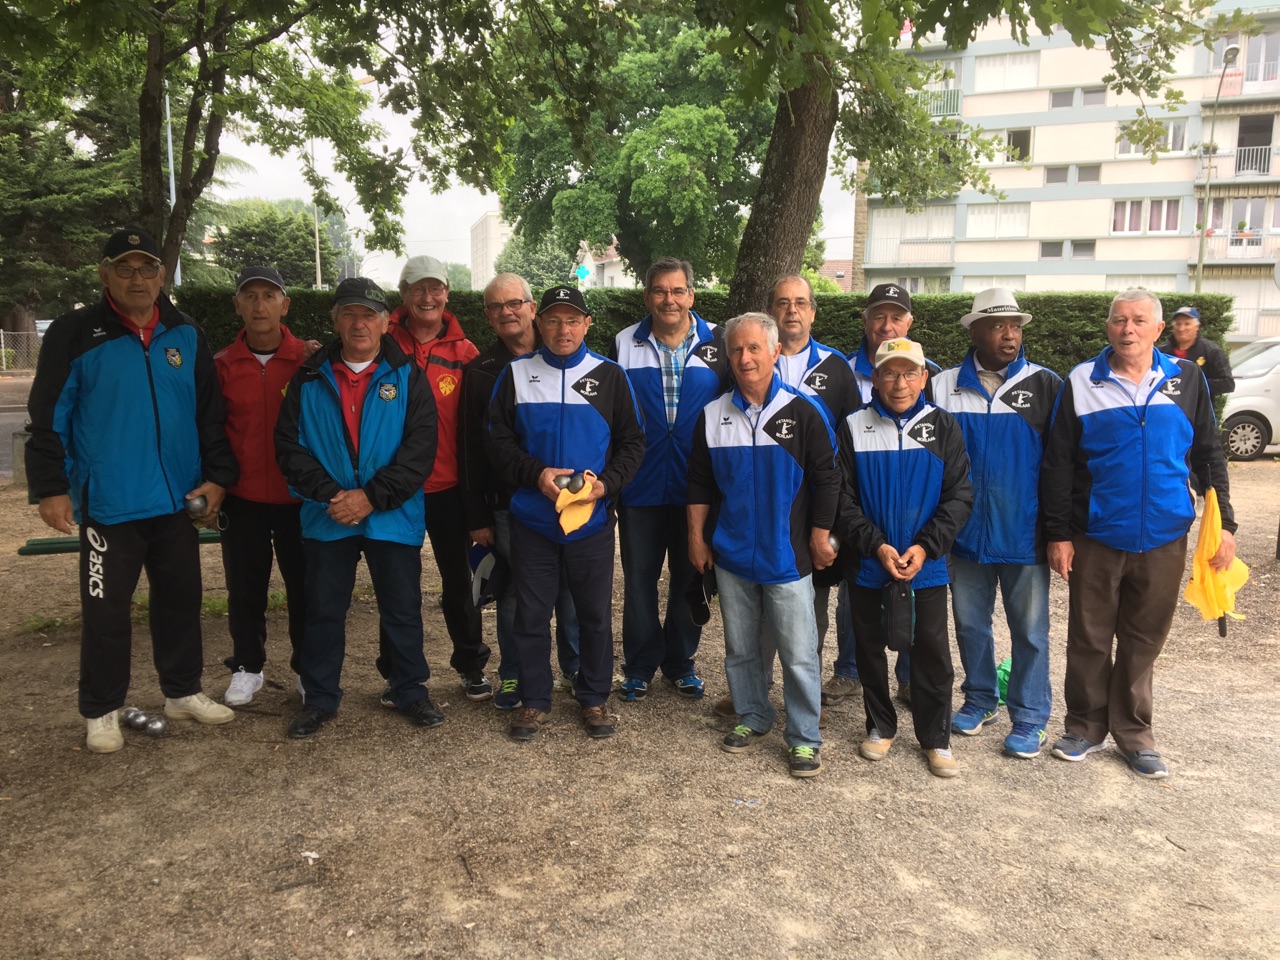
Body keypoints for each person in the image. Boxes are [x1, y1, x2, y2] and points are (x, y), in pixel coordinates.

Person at [26, 227, 238, 753]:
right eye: (125, 268)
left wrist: (216, 478)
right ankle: (102, 708)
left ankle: (182, 691)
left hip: (176, 500)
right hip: (111, 503)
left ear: (162, 276)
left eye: (147, 269)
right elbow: (49, 417)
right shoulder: (75, 333)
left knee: (181, 602)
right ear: (105, 275)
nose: (138, 279)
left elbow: (210, 414)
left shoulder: (185, 332)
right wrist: (51, 487)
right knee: (106, 612)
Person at [1042, 289, 1236, 779]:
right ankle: (1084, 726)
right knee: (1088, 636)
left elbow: (1210, 452)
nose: (1128, 329)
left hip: (1166, 534)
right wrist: (1059, 534)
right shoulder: (1082, 381)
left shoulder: (1187, 378)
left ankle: (1134, 734)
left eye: (1139, 321)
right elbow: (1059, 463)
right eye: (1119, 321)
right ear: (1108, 327)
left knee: (1143, 638)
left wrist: (1227, 524)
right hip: (1097, 534)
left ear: (1157, 328)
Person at [275, 278, 441, 739]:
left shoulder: (408, 376)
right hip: (327, 517)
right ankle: (320, 697)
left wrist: (369, 497)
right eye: (349, 313)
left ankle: (410, 690)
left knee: (402, 610)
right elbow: (289, 449)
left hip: (392, 515)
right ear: (335, 321)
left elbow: (420, 450)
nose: (359, 323)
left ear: (387, 321)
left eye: (369, 314)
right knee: (323, 610)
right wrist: (336, 497)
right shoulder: (308, 377)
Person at [486, 285, 645, 742]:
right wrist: (534, 474)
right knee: (532, 616)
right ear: (539, 323)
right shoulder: (516, 374)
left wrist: (606, 486)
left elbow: (633, 443)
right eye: (553, 320)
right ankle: (534, 701)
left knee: (594, 614)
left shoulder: (610, 376)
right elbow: (496, 441)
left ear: (587, 324)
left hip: (590, 522)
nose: (563, 329)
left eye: (572, 320)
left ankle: (594, 698)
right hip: (533, 521)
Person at [687, 312, 839, 779]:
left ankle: (804, 738)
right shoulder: (714, 415)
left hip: (786, 555)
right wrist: (696, 538)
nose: (745, 357)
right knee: (740, 647)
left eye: (755, 348)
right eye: (737, 349)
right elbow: (698, 484)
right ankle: (753, 715)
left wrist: (819, 534)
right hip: (732, 554)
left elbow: (828, 478)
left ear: (775, 352)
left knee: (798, 651)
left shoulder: (804, 411)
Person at [932, 288, 1061, 758]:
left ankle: (1029, 716)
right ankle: (981, 698)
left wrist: (1059, 531)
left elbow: (1061, 464)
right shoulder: (942, 386)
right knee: (970, 624)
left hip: (1024, 532)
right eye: (997, 325)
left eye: (1015, 325)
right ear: (975, 331)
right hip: (963, 534)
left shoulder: (1046, 384)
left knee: (1029, 631)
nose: (1009, 334)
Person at [835, 338, 973, 778]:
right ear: (874, 378)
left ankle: (936, 738)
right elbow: (843, 498)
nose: (900, 383)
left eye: (909, 373)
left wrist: (925, 546)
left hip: (925, 566)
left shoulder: (944, 426)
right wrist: (875, 544)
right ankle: (880, 726)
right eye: (890, 373)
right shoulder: (853, 426)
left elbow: (959, 496)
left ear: (924, 377)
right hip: (869, 563)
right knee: (870, 650)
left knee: (933, 654)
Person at [458, 273, 581, 710]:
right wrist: (477, 517)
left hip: (571, 502)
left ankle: (576, 669)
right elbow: (471, 449)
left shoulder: (572, 360)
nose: (507, 312)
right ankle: (514, 674)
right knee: (514, 594)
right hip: (510, 507)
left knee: (571, 588)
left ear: (533, 309)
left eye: (515, 303)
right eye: (495, 307)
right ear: (488, 317)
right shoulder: (481, 372)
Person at [613, 257, 729, 702]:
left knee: (690, 575)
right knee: (639, 578)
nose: (669, 299)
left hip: (696, 485)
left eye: (678, 291)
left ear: (691, 297)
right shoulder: (624, 342)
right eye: (660, 291)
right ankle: (640, 665)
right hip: (640, 485)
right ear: (647, 297)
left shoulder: (718, 342)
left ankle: (681, 662)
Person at [385, 255, 490, 702]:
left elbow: (476, 429)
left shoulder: (466, 354)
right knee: (397, 588)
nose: (427, 298)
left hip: (447, 489)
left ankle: (470, 664)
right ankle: (397, 674)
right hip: (394, 490)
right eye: (416, 289)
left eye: (435, 289)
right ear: (403, 295)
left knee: (458, 585)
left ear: (447, 293)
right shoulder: (382, 343)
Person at [831, 283, 931, 706]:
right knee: (855, 593)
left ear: (909, 323)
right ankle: (850, 671)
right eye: (879, 316)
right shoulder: (840, 369)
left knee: (911, 594)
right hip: (861, 504)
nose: (887, 325)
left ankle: (909, 677)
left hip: (913, 506)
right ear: (865, 320)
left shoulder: (929, 371)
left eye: (896, 317)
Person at [213, 266, 309, 706]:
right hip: (244, 497)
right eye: (249, 296)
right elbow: (211, 432)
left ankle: (309, 669)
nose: (259, 305)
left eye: (268, 296)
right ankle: (247, 667)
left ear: (284, 305)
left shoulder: (309, 360)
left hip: (299, 498)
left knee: (305, 588)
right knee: (245, 589)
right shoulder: (221, 365)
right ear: (236, 305)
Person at [1158, 306, 1234, 498]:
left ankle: (1202, 491)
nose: (1182, 328)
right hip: (1169, 416)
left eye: (1187, 323)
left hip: (1198, 415)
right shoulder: (1161, 352)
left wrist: (1194, 384)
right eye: (1178, 323)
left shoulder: (1210, 351)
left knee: (1202, 452)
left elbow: (1227, 383)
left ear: (1197, 326)